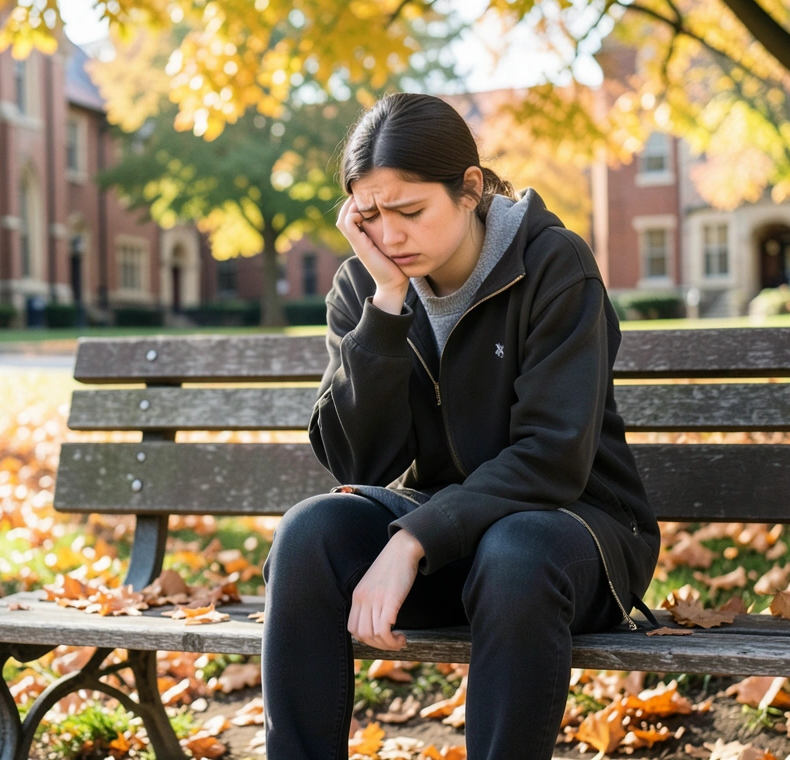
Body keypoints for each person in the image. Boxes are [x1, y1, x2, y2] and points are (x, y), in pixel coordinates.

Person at [260, 92, 661, 760]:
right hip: (448, 540)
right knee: (308, 536)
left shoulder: (554, 265)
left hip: (572, 534)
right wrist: (386, 306)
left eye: (410, 211)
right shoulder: (365, 288)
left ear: (470, 188)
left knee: (515, 552)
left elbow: (554, 456)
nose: (389, 236)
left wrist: (412, 540)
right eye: (369, 216)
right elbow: (356, 463)